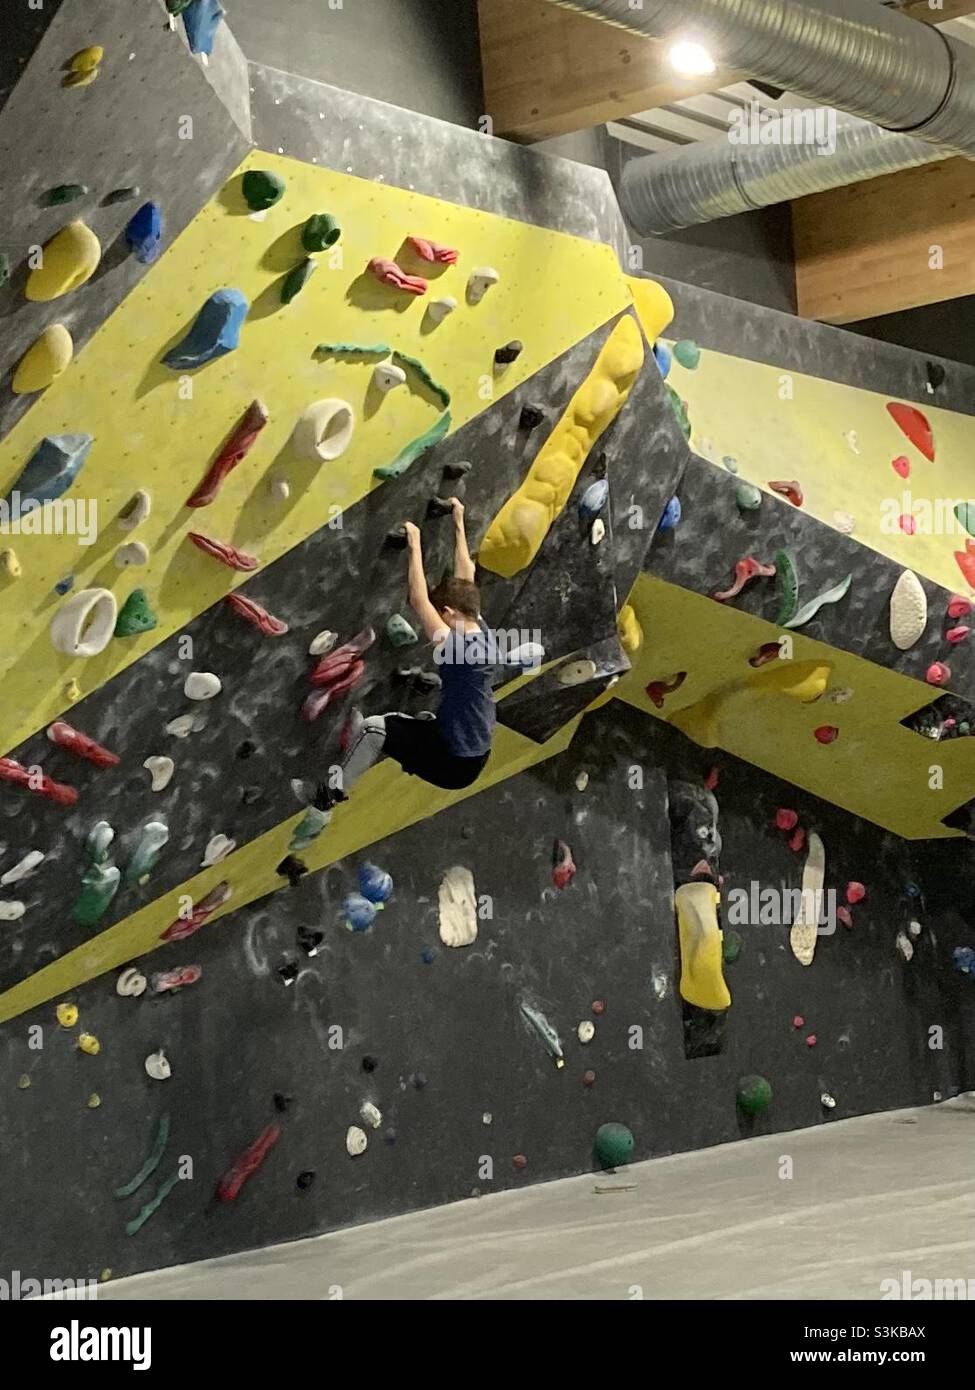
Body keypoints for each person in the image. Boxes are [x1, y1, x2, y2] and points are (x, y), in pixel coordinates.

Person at [314, 499, 499, 808]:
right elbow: (466, 573)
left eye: (442, 616)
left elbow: (418, 600)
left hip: (455, 764)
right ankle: (395, 746)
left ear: (449, 612)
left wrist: (414, 543)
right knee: (399, 722)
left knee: (375, 728)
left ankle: (329, 796)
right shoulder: (479, 627)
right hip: (471, 748)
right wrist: (458, 519)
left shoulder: (458, 650)